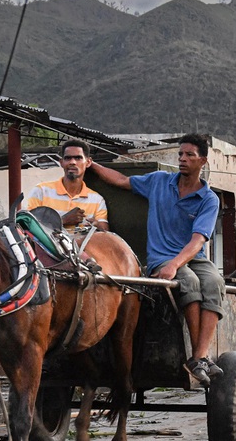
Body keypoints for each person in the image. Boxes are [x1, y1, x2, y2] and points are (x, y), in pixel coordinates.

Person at [90, 133, 224, 386]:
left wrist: (176, 264)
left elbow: (197, 241)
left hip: (192, 256)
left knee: (214, 282)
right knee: (190, 282)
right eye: (180, 154)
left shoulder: (208, 199)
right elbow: (122, 181)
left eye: (189, 155)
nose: (183, 159)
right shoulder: (159, 182)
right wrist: (92, 164)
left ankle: (199, 356)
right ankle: (198, 359)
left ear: (202, 161)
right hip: (161, 257)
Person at [23, 140, 109, 231]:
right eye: (68, 158)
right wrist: (63, 220)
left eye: (78, 158)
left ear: (88, 162)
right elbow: (28, 225)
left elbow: (105, 231)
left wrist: (95, 224)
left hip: (84, 245)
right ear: (61, 162)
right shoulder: (42, 191)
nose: (72, 162)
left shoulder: (97, 199)